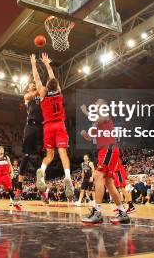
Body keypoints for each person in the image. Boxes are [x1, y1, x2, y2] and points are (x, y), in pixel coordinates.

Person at [30, 53, 74, 200]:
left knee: (49, 156)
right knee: (63, 155)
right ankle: (68, 177)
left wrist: (34, 64)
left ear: (47, 85)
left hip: (48, 127)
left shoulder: (43, 92)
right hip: (60, 126)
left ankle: (42, 171)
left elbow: (36, 78)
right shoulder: (59, 92)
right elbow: (52, 77)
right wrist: (48, 64)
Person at [80, 99, 130, 224]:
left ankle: (97, 212)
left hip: (109, 149)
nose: (96, 107)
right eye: (95, 106)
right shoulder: (96, 122)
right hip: (105, 151)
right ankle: (123, 213)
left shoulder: (105, 115)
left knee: (98, 176)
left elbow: (99, 117)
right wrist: (85, 134)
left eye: (98, 105)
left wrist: (86, 111)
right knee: (108, 183)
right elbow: (89, 137)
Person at [19, 82, 43, 199]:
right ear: (28, 88)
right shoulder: (27, 96)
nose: (33, 84)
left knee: (40, 156)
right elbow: (38, 92)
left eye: (34, 83)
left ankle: (42, 187)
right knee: (26, 156)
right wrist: (40, 86)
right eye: (31, 84)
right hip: (30, 126)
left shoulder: (40, 94)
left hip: (41, 127)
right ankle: (19, 188)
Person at [0, 146, 21, 212]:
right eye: (0, 149)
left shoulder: (6, 157)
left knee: (10, 190)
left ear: (4, 151)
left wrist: (12, 173)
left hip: (6, 176)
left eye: (2, 149)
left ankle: (15, 203)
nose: (1, 150)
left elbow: (10, 165)